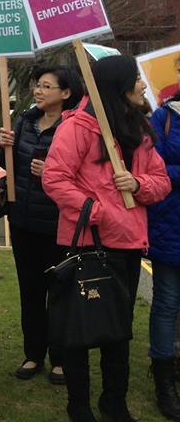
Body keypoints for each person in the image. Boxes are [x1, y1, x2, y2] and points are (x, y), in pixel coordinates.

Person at [43, 55, 171, 422]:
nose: (143, 85)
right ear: (119, 84)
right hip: (88, 244)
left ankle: (115, 403)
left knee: (119, 330)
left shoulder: (140, 130)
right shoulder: (79, 128)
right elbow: (55, 179)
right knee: (80, 331)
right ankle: (79, 406)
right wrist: (96, 212)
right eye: (136, 78)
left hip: (129, 247)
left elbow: (161, 181)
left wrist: (139, 184)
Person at [0, 66, 83, 386]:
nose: (39, 91)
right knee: (30, 291)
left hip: (58, 224)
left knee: (59, 293)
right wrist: (7, 146)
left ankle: (60, 358)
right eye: (38, 85)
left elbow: (84, 173)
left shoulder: (75, 127)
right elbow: (9, 166)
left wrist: (51, 170)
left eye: (47, 86)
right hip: (22, 221)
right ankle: (33, 353)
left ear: (65, 93)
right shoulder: (26, 121)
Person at [150, 74, 180, 420]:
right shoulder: (164, 117)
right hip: (169, 225)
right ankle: (164, 378)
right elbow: (153, 167)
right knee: (167, 303)